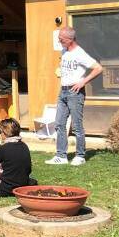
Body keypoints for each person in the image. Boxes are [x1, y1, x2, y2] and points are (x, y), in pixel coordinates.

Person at [44, 27, 102, 166]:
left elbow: (98, 68)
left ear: (70, 40)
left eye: (61, 39)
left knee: (76, 126)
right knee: (59, 124)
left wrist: (83, 82)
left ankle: (80, 155)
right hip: (63, 91)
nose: (59, 41)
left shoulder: (80, 53)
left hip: (75, 93)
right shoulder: (64, 51)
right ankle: (61, 156)